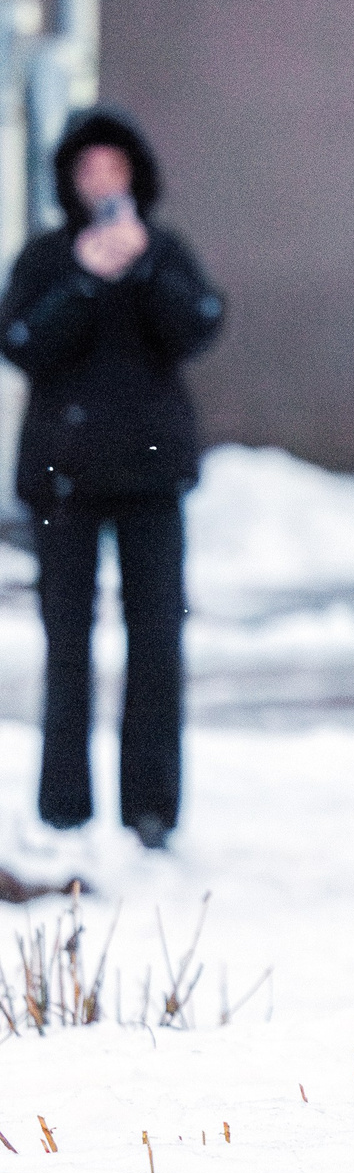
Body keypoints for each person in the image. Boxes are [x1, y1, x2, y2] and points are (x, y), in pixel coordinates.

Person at [2, 109, 224, 851]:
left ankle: (152, 807)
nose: (101, 184)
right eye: (87, 171)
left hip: (152, 477)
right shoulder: (46, 258)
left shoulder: (164, 252)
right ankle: (65, 807)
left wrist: (143, 269)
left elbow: (199, 325)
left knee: (157, 641)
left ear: (136, 177)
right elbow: (23, 341)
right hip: (62, 478)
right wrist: (84, 283)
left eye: (114, 170)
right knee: (68, 643)